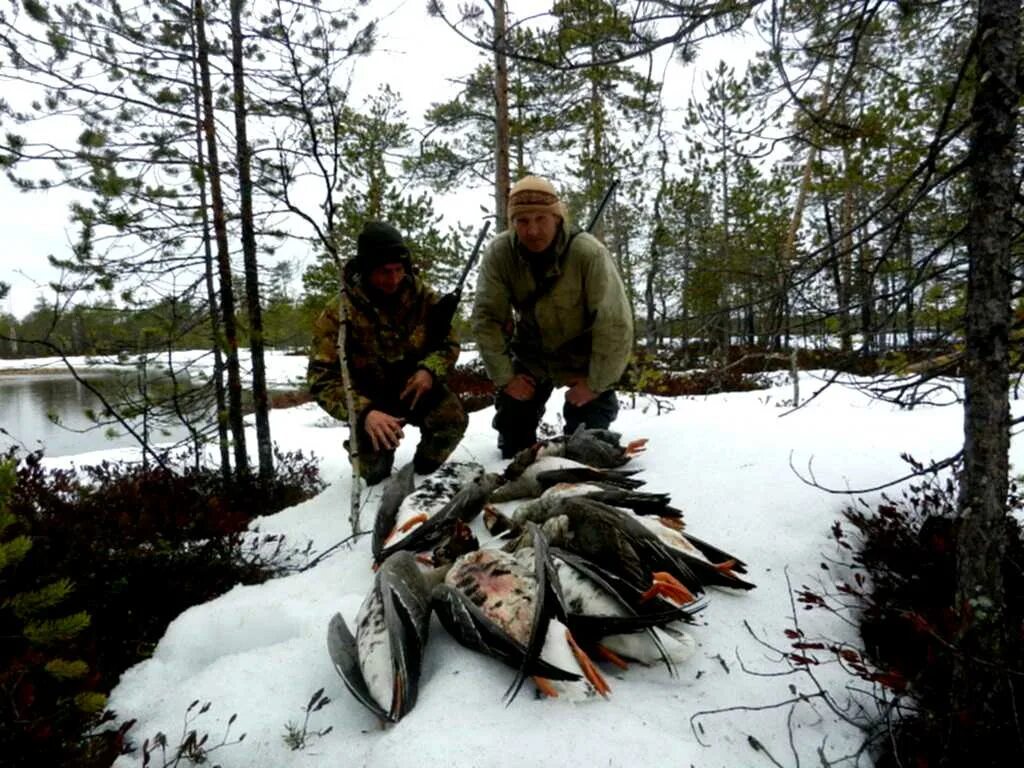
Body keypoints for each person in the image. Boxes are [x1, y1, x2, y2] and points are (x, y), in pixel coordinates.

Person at [471, 175, 633, 459]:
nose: (532, 230)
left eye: (540, 219)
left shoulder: (588, 253)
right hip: (532, 355)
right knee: (513, 447)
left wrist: (595, 383)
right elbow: (487, 320)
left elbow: (614, 323)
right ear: (512, 223)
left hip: (583, 358)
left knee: (589, 448)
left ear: (557, 218)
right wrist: (507, 378)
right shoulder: (500, 254)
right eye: (522, 221)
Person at [308, 221, 468, 484]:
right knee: (373, 472)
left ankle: (423, 474)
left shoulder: (423, 297)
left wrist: (429, 370)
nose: (393, 279)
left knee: (451, 421)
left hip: (416, 389)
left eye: (398, 270)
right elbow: (321, 379)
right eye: (384, 272)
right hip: (370, 400)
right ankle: (367, 450)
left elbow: (448, 344)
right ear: (366, 270)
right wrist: (364, 412)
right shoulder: (339, 312)